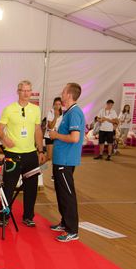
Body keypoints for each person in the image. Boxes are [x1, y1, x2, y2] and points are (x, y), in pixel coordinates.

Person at [0, 80, 45, 227]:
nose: (26, 93)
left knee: (31, 188)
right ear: (18, 92)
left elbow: (38, 130)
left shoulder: (35, 109)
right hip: (13, 155)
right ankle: (3, 216)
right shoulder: (9, 109)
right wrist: (5, 139)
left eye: (29, 90)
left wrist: (40, 150)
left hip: (31, 155)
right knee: (8, 187)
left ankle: (28, 216)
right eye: (23, 90)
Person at [48, 82, 85, 243]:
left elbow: (74, 138)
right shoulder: (68, 112)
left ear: (69, 95)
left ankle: (72, 230)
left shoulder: (74, 113)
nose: (61, 94)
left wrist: (56, 135)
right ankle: (64, 222)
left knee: (67, 195)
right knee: (61, 193)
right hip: (60, 159)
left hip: (66, 160)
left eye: (63, 92)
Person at [44, 96, 62, 173]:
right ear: (53, 105)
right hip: (49, 136)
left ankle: (54, 174)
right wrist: (55, 117)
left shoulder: (63, 113)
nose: (57, 106)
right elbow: (50, 126)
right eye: (56, 104)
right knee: (49, 157)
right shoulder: (50, 112)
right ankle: (37, 169)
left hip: (58, 137)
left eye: (59, 104)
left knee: (56, 158)